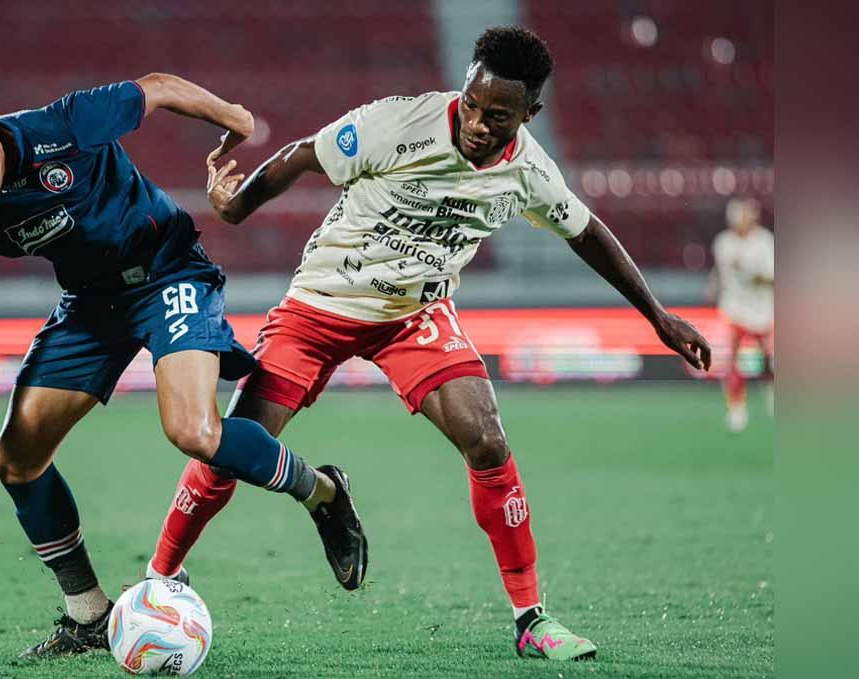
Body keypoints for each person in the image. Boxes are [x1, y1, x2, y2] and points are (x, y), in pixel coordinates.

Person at [146, 26, 712, 661]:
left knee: (487, 437)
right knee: (232, 448)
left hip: (415, 315)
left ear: (531, 115)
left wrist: (659, 317)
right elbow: (304, 154)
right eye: (471, 103)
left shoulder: (529, 171)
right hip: (320, 305)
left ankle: (531, 618)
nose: (475, 122)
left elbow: (587, 233)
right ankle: (161, 576)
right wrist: (235, 208)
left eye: (496, 116)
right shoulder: (399, 123)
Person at [0, 75, 367, 658]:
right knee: (16, 461)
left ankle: (324, 493)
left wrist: (234, 115)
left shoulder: (64, 125)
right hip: (90, 303)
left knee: (193, 432)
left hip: (166, 271)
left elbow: (156, 89)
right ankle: (88, 616)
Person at [708, 197, 775, 432]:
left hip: (762, 310)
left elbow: (771, 277)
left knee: (769, 360)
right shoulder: (724, 242)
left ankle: (771, 394)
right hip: (735, 310)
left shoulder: (765, 241)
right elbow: (724, 272)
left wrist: (757, 276)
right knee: (732, 362)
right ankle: (737, 409)